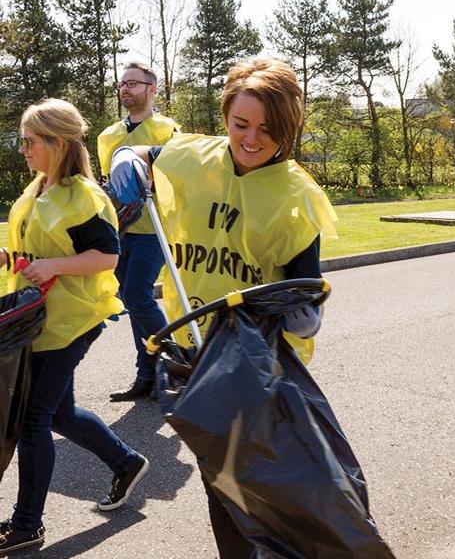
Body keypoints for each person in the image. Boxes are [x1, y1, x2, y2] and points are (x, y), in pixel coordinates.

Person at [110, 57, 338, 558]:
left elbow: (306, 284)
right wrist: (130, 158)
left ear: (290, 128)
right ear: (225, 118)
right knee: (220, 481)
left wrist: (305, 309)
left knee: (260, 483)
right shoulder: (196, 156)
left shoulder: (296, 196)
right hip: (195, 353)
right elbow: (150, 152)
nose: (252, 139)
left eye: (268, 129)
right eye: (241, 124)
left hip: (260, 363)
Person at [0, 99, 149, 555]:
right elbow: (32, 248)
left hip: (74, 319)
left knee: (33, 419)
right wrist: (10, 260)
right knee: (59, 413)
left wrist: (52, 266)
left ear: (57, 143)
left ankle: (28, 525)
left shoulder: (85, 197)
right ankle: (126, 462)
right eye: (20, 141)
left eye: (29, 141)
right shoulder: (37, 188)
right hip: (39, 320)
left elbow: (107, 256)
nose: (22, 149)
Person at [97, 62, 179, 402]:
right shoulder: (108, 137)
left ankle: (176, 359)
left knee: (136, 295)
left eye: (134, 83)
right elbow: (111, 188)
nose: (126, 89)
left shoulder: (168, 130)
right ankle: (146, 375)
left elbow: (178, 179)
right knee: (131, 300)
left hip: (154, 230)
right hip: (121, 232)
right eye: (123, 84)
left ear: (152, 89)